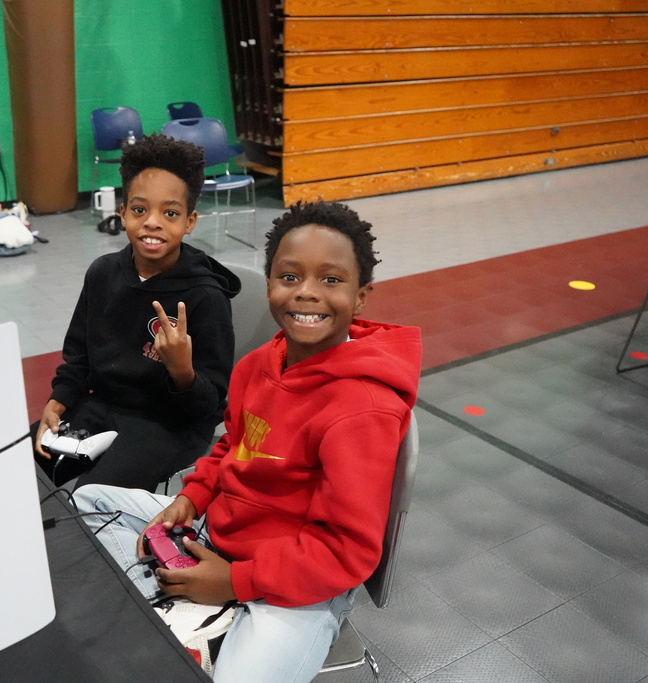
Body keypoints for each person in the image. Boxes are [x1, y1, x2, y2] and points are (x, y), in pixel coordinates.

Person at [73, 201, 422, 682]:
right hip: (219, 537)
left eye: (331, 280)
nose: (307, 294)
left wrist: (235, 582)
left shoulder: (363, 410)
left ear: (361, 297)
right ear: (270, 283)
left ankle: (207, 613)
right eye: (290, 276)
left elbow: (346, 551)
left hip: (301, 580)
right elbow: (231, 446)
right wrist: (192, 498)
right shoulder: (259, 364)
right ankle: (200, 612)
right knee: (88, 499)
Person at [33, 133, 240, 491]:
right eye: (140, 210)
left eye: (170, 213)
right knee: (19, 472)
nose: (153, 222)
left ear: (189, 222)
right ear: (123, 213)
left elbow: (209, 405)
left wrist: (182, 370)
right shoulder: (102, 273)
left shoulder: (205, 296)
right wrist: (59, 399)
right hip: (105, 406)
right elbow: (78, 357)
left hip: (170, 423)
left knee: (91, 499)